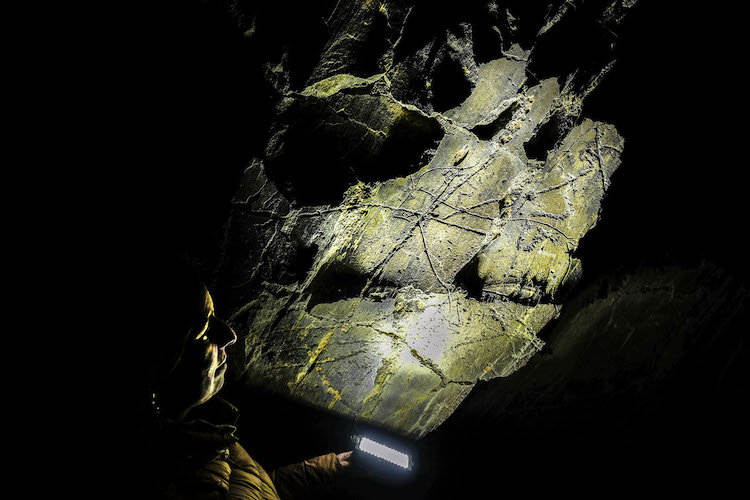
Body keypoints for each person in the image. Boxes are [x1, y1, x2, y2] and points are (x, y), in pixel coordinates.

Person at [139, 260, 353, 499]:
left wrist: (323, 470)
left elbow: (248, 489)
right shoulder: (167, 477)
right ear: (164, 366)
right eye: (204, 332)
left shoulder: (203, 434)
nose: (230, 335)